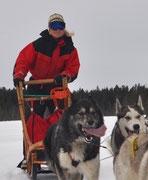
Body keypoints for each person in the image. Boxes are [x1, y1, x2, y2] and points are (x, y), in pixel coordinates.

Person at [13, 13, 80, 169]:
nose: (57, 29)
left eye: (60, 26)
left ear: (64, 28)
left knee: (63, 120)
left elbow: (73, 68)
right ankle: (28, 156)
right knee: (30, 121)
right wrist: (19, 76)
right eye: (54, 26)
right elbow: (23, 60)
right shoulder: (38, 45)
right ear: (49, 28)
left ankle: (64, 153)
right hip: (36, 85)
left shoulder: (69, 48)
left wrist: (64, 76)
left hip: (57, 87)